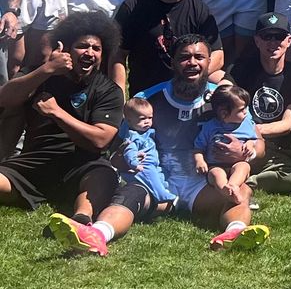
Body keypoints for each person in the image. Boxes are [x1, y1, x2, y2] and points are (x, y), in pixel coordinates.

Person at [47, 35, 269, 256]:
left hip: (202, 184)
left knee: (240, 190)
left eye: (199, 57)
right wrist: (122, 160)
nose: (192, 62)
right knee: (128, 194)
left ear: (209, 61)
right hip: (157, 182)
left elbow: (259, 145)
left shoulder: (224, 99)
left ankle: (235, 233)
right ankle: (97, 234)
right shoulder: (146, 99)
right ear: (173, 62)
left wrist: (245, 153)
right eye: (184, 57)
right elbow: (116, 152)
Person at [0, 11, 123, 221]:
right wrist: (47, 69)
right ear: (65, 48)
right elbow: (5, 98)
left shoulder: (108, 90)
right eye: (82, 46)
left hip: (82, 166)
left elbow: (100, 140)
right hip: (34, 164)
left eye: (96, 48)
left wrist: (56, 113)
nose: (90, 53)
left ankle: (81, 219)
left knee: (105, 175)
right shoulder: (40, 73)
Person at [110, 0, 223, 95]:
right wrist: (119, 97)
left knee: (226, 82)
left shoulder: (199, 10)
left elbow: (218, 55)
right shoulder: (133, 7)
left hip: (185, 94)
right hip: (145, 95)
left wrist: (191, 76)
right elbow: (117, 55)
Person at [229, 12, 291, 194]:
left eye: (279, 37)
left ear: (289, 41)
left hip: (275, 149)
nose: (273, 42)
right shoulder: (240, 70)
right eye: (267, 37)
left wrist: (253, 131)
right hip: (241, 143)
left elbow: (287, 124)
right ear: (257, 41)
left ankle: (247, 182)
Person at [192, 85, 258, 204]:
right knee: (216, 175)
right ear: (224, 114)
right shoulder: (210, 127)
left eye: (246, 107)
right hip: (215, 165)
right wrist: (199, 161)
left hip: (237, 163)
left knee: (244, 167)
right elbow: (198, 148)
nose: (246, 112)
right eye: (241, 110)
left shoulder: (247, 122)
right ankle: (226, 191)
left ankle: (232, 186)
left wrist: (249, 145)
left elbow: (252, 138)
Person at [115, 97, 171, 208]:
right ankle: (162, 196)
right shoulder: (133, 137)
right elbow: (129, 151)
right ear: (129, 121)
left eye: (150, 118)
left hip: (152, 164)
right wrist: (135, 164)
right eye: (142, 119)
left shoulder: (146, 133)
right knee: (152, 175)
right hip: (142, 167)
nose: (147, 121)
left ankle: (162, 188)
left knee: (162, 174)